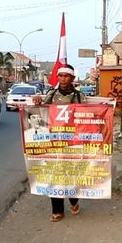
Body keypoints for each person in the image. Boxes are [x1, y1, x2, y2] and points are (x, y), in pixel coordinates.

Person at [33, 64, 86, 222]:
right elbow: (41, 112)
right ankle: (57, 211)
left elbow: (86, 117)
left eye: (66, 76)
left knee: (70, 173)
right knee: (54, 174)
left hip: (72, 141)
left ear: (72, 78)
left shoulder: (79, 96)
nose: (63, 78)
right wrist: (37, 102)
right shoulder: (50, 95)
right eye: (60, 75)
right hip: (53, 140)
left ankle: (74, 199)